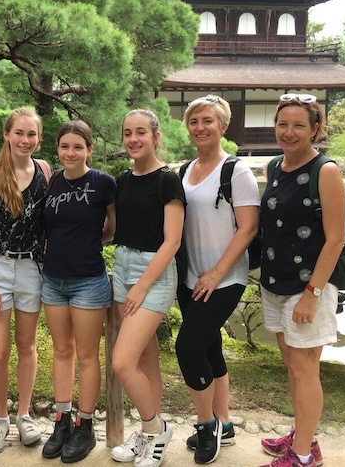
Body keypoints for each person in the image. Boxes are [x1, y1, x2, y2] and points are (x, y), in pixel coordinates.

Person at [257, 93, 345, 467]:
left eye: (298, 126)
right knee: (292, 367)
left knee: (306, 369)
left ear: (315, 129)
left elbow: (336, 238)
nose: (288, 132)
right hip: (275, 282)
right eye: (282, 124)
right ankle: (304, 437)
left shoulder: (326, 171)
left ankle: (304, 456)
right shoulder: (275, 166)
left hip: (308, 287)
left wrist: (313, 293)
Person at [176, 96, 259, 465]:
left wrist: (216, 273)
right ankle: (224, 425)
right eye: (194, 121)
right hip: (189, 276)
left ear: (223, 126)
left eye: (208, 121)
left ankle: (205, 423)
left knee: (188, 350)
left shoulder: (235, 171)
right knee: (210, 350)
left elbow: (248, 228)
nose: (200, 127)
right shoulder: (183, 170)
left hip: (223, 279)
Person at [0, 108, 51, 455]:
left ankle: (24, 415)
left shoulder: (44, 172)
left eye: (31, 134)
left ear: (38, 138)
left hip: (32, 269)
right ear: (6, 134)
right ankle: (0, 419)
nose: (25, 140)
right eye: (19, 133)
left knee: (28, 346)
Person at [110, 109, 185, 467]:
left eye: (141, 132)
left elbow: (172, 242)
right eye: (127, 133)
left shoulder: (167, 180)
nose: (133, 139)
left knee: (121, 362)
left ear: (156, 136)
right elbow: (113, 230)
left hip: (153, 271)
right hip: (122, 265)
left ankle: (157, 430)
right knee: (144, 357)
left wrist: (141, 286)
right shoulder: (123, 180)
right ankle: (146, 433)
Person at [41, 120, 117, 463]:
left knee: (87, 357)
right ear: (57, 149)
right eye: (64, 146)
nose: (70, 152)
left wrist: (85, 246)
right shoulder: (53, 180)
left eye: (78, 147)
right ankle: (62, 420)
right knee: (61, 351)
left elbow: (111, 230)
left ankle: (85, 426)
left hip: (88, 280)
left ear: (89, 149)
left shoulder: (103, 183)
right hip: (53, 280)